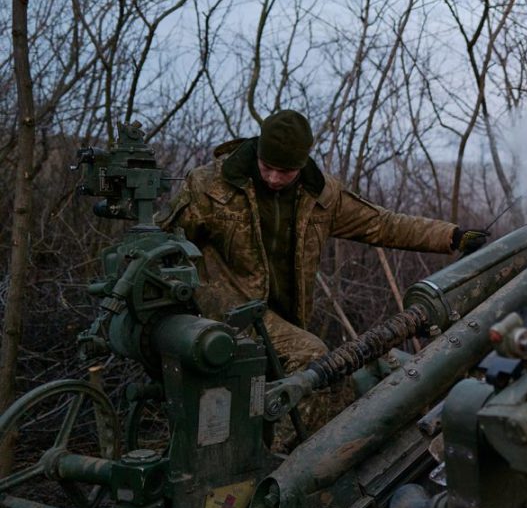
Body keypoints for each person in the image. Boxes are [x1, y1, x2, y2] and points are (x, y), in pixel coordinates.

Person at [161, 109, 488, 373]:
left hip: (287, 318)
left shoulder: (321, 196)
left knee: (321, 375)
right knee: (313, 358)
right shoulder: (210, 186)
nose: (274, 178)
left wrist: (453, 236)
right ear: (256, 153)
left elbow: (382, 224)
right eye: (267, 167)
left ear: (302, 165)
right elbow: (165, 243)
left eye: (285, 171)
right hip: (228, 313)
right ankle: (293, 456)